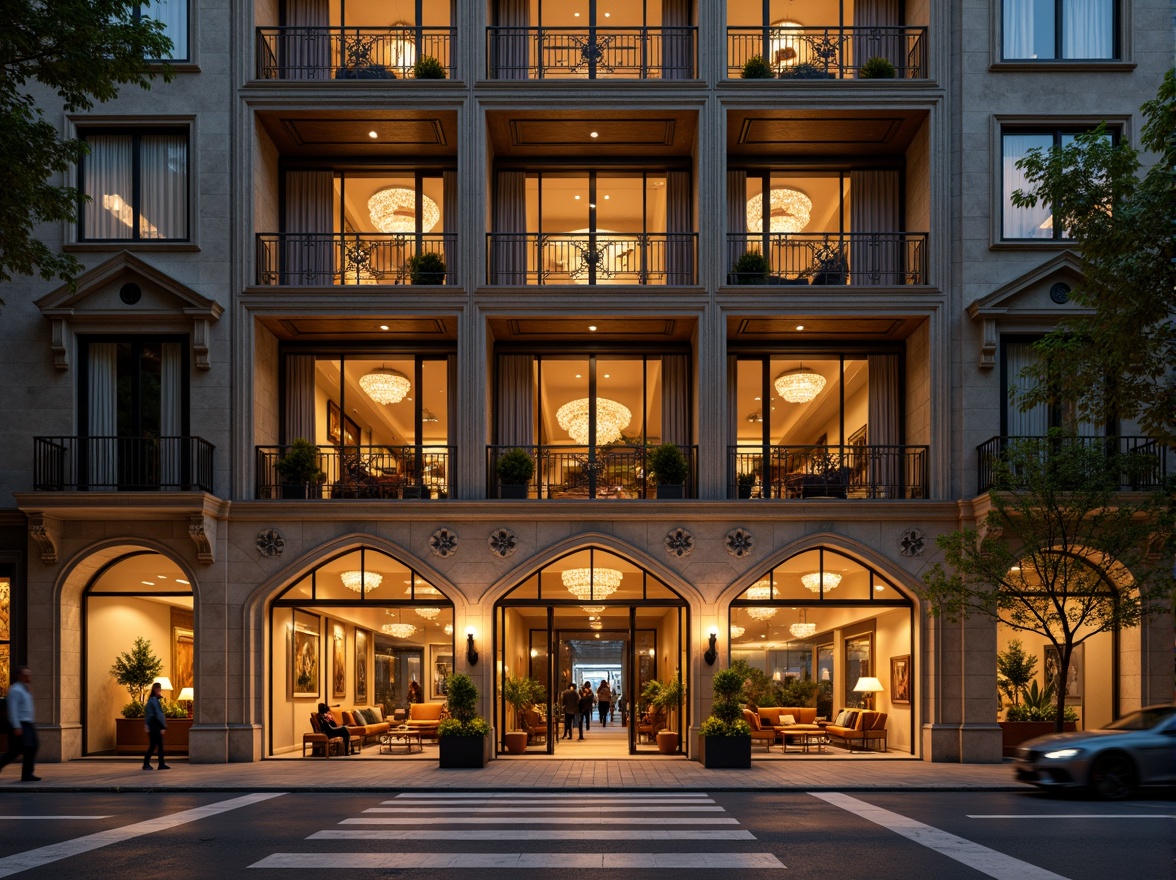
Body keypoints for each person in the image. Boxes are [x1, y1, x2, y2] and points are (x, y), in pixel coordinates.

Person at [0, 666, 39, 781]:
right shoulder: (16, 690)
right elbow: (13, 709)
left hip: (27, 723)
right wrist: (16, 726)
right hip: (20, 724)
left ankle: (27, 773)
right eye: (26, 675)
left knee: (30, 747)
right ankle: (27, 774)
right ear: (20, 676)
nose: (28, 677)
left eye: (29, 675)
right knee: (16, 750)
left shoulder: (25, 689)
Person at [142, 681, 170, 770]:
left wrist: (146, 725)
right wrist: (163, 726)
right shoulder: (154, 701)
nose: (160, 691)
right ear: (156, 689)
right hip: (155, 725)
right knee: (159, 746)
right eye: (159, 689)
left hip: (152, 725)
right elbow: (158, 714)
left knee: (153, 745)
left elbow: (148, 714)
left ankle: (148, 764)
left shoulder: (151, 700)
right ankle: (159, 764)